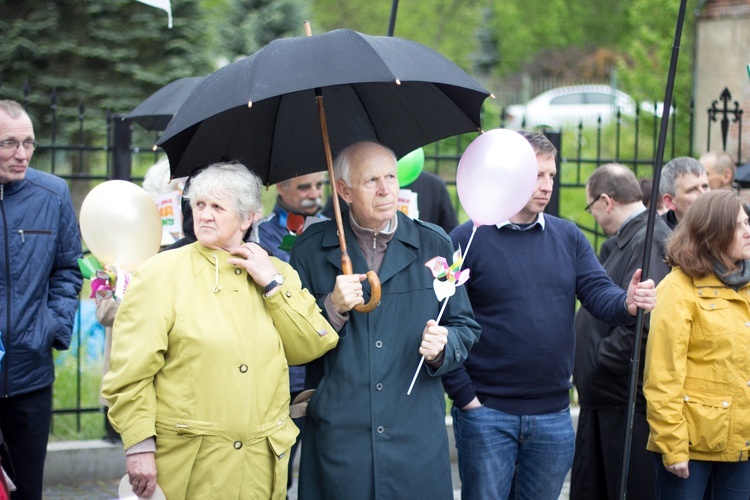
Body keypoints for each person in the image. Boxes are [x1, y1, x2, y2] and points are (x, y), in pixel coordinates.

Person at [101, 162, 339, 499]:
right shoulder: (161, 273)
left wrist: (271, 282)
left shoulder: (278, 271)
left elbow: (309, 346)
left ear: (247, 218)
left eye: (217, 207)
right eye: (199, 205)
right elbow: (130, 373)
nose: (205, 215)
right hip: (189, 465)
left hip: (258, 467)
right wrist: (139, 446)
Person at [443, 131, 657, 500]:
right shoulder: (466, 239)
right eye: (537, 176)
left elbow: (598, 293)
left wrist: (627, 302)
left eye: (551, 176)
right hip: (486, 413)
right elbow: (442, 319)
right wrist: (466, 399)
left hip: (553, 415)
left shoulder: (568, 236)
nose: (546, 186)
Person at [289, 141, 481, 500]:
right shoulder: (311, 250)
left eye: (390, 177)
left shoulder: (433, 243)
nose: (385, 189)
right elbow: (291, 344)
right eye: (371, 180)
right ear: (344, 191)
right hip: (342, 436)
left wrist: (444, 346)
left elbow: (464, 327)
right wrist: (330, 308)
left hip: (414, 435)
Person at [571, 164, 672, 500]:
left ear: (606, 201)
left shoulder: (649, 241)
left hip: (622, 402)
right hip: (608, 400)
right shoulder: (633, 239)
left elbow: (644, 322)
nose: (594, 215)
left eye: (591, 208)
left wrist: (598, 363)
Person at [0, 100, 83, 499]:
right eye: (8, 143)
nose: (21, 154)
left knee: (25, 490)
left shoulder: (52, 194)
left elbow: (68, 268)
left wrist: (52, 327)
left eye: (29, 143)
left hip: (29, 377)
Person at [644, 189, 750, 499]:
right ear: (714, 231)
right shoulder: (678, 288)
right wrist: (672, 445)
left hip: (741, 444)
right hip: (691, 447)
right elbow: (662, 375)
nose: (749, 231)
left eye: (749, 222)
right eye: (740, 225)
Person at [250, 171, 327, 496]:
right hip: (287, 371)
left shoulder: (334, 225)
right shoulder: (262, 235)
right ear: (281, 187)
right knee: (280, 469)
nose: (314, 193)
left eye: (320, 185)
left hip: (329, 364)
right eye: (304, 186)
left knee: (329, 468)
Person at [660, 156, 710, 229]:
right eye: (692, 190)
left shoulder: (726, 225)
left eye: (705, 187)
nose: (704, 194)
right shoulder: (656, 235)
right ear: (670, 201)